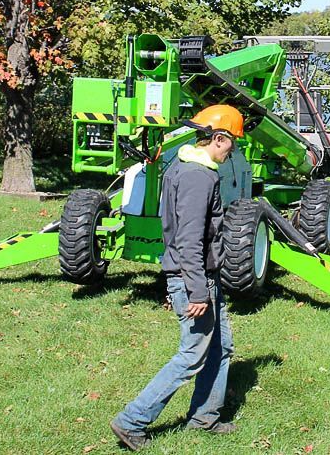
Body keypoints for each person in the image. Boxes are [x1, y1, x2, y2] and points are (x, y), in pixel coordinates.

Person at [111, 104, 245, 450]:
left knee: (221, 347)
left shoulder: (181, 166)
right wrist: (197, 291)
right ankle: (132, 420)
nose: (233, 150)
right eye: (232, 143)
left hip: (199, 277)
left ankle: (205, 417)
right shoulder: (198, 177)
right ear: (218, 139)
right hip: (195, 281)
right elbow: (188, 239)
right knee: (191, 354)